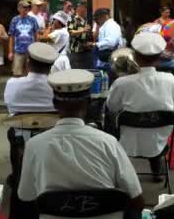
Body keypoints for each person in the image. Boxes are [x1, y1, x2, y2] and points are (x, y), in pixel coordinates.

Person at [19, 69, 145, 219]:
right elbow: (137, 199)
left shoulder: (34, 145)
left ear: (54, 103)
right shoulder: (108, 142)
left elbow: (25, 196)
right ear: (89, 103)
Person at [107, 32, 174, 181]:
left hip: (127, 142)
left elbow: (112, 106)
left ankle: (117, 166)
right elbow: (172, 107)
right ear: (159, 58)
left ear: (135, 57)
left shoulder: (122, 82)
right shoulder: (171, 80)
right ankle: (156, 168)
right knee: (156, 117)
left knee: (111, 114)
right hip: (159, 142)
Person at [3, 42, 58, 219]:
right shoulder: (56, 86)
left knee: (13, 132)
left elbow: (9, 107)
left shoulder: (13, 83)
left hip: (21, 138)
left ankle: (18, 176)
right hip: (51, 138)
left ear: (28, 63)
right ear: (51, 66)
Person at [8, 0, 40, 77]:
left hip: (31, 51)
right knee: (17, 73)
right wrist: (10, 52)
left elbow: (36, 35)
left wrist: (37, 49)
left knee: (30, 73)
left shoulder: (33, 20)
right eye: (24, 7)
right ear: (19, 8)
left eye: (27, 7)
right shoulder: (14, 20)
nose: (26, 9)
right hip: (18, 50)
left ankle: (28, 88)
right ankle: (18, 88)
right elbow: (11, 37)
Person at [88, 8, 122, 72]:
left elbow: (111, 42)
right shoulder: (105, 25)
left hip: (109, 57)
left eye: (97, 19)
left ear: (103, 16)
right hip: (104, 58)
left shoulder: (111, 25)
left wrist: (95, 44)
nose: (97, 21)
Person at [67, 0, 93, 69]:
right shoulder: (72, 19)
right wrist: (83, 30)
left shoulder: (87, 20)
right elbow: (70, 32)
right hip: (76, 52)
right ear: (80, 8)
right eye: (85, 8)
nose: (86, 10)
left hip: (87, 51)